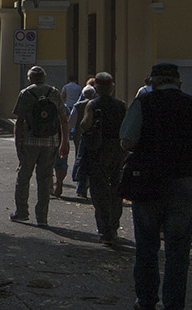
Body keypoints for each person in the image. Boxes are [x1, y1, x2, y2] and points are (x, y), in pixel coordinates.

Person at [120, 63, 192, 310]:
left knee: (146, 245)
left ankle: (146, 302)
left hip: (148, 180)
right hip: (183, 181)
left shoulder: (143, 103)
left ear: (152, 83)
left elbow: (126, 140)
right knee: (178, 250)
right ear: (179, 83)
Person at [10, 66, 69, 225]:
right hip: (51, 142)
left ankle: (22, 212)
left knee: (24, 177)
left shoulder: (25, 93)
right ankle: (42, 217)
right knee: (45, 178)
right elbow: (64, 120)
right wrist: (64, 142)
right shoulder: (54, 93)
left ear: (30, 78)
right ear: (44, 77)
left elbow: (19, 122)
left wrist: (18, 146)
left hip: (30, 141)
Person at [80, 73, 127, 245]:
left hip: (99, 150)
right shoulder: (122, 105)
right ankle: (113, 226)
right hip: (119, 150)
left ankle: (104, 228)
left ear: (97, 89)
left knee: (99, 190)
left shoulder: (93, 104)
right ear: (112, 87)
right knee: (116, 189)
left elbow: (85, 125)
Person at [68, 85, 97, 198]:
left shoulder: (78, 106)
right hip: (95, 137)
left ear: (83, 94)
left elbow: (71, 122)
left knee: (80, 159)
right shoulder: (97, 104)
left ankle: (81, 186)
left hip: (80, 136)